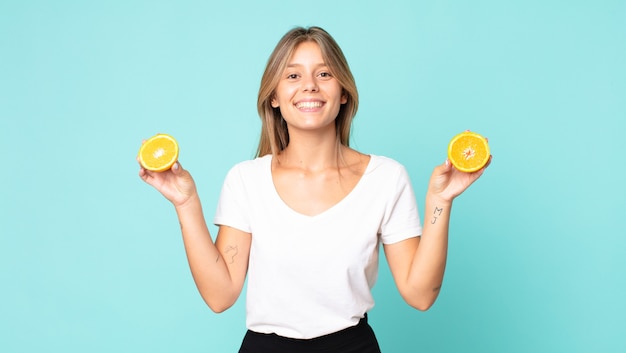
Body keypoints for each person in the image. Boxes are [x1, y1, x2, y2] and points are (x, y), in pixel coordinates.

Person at [139, 26, 489, 353]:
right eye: (293, 75)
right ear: (274, 97)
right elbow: (220, 296)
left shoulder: (386, 177)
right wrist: (186, 204)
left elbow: (420, 294)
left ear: (343, 94)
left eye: (324, 74)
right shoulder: (246, 180)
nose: (309, 85)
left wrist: (440, 201)